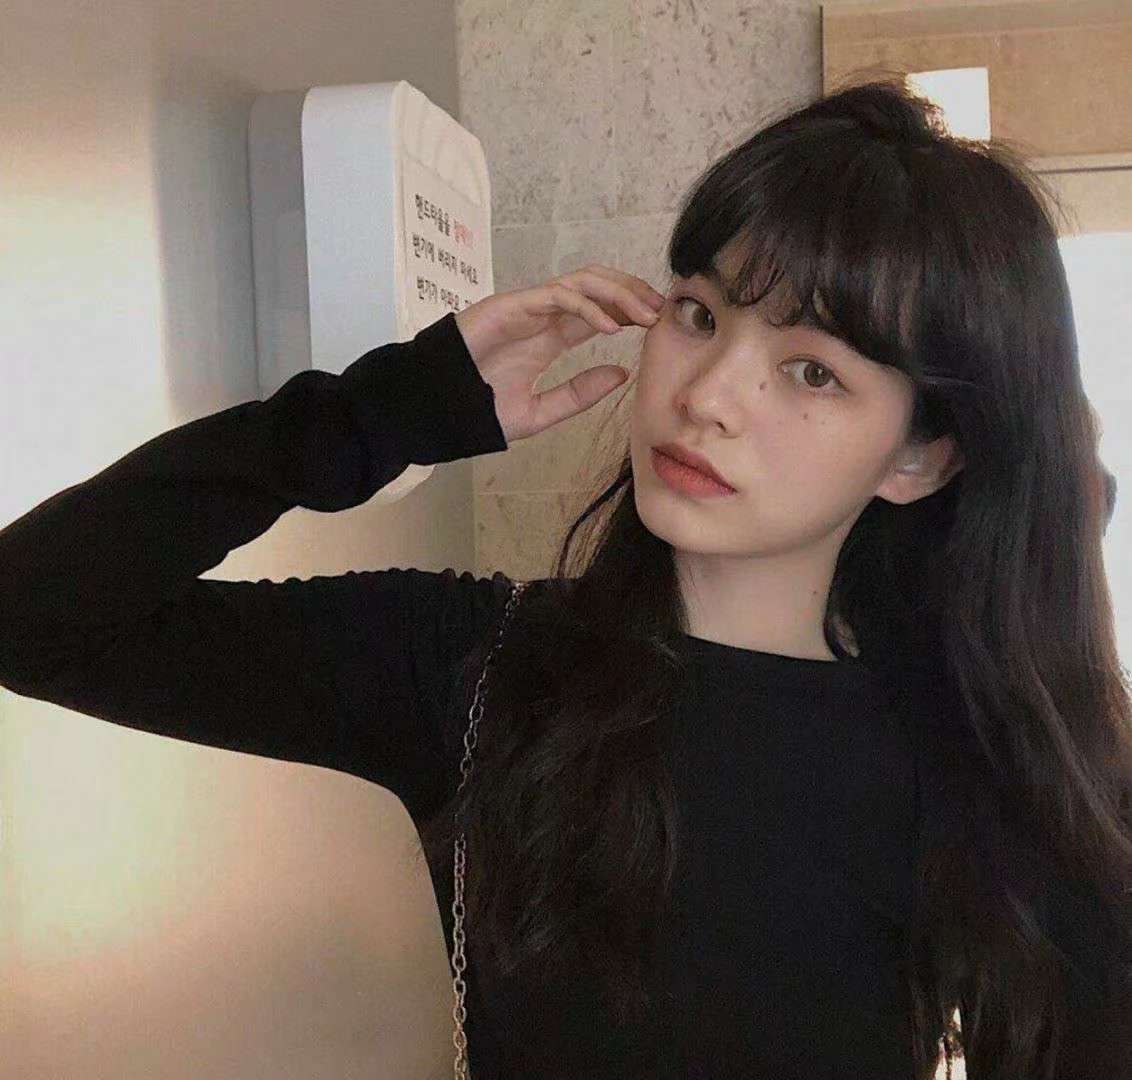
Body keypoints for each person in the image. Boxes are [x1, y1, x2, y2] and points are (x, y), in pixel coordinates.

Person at [2, 77, 1130, 1080]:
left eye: (811, 371)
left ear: (920, 456)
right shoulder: (473, 669)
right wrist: (384, 412)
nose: (706, 394)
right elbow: (34, 613)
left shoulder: (991, 761)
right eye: (699, 314)